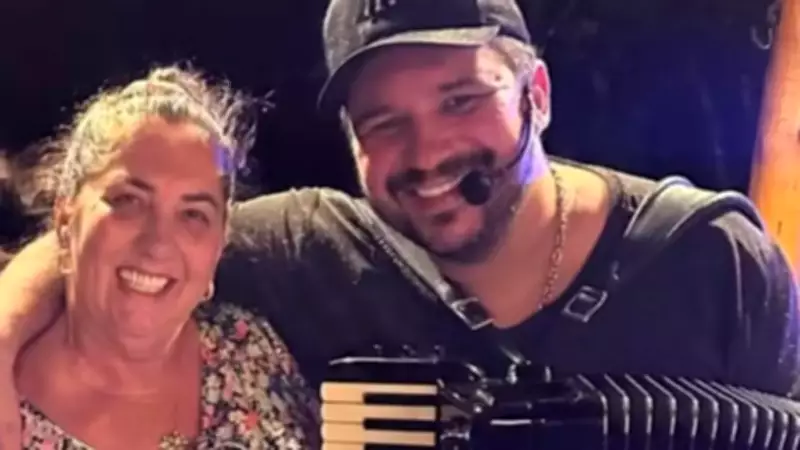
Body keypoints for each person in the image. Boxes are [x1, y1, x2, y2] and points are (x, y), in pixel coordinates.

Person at [1, 0, 799, 445]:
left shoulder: (714, 262)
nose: (427, 153)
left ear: (537, 95)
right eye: (383, 122)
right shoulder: (312, 249)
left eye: (461, 99)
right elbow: (134, 247)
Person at [2, 66, 320, 448]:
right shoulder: (12, 405)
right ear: (65, 221)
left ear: (220, 244)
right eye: (128, 201)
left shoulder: (248, 349)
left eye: (193, 214)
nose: (158, 243)